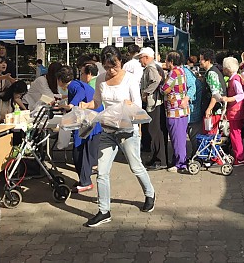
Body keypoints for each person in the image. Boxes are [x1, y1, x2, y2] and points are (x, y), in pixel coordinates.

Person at [78, 46, 155, 227]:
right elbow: (97, 102)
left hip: (126, 131)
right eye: (107, 67)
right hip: (107, 130)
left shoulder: (129, 79)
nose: (111, 70)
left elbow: (137, 104)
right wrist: (85, 105)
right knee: (102, 173)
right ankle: (104, 211)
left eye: (115, 66)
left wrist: (129, 105)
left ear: (121, 62)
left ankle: (150, 193)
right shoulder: (100, 81)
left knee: (135, 166)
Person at [56, 65, 101, 193]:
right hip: (92, 120)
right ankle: (84, 179)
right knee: (82, 152)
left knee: (79, 152)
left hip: (88, 122)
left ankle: (86, 181)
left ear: (60, 79)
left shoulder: (73, 86)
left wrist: (71, 104)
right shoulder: (76, 83)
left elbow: (80, 94)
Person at [138, 47, 168, 171]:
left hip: (154, 104)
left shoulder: (151, 68)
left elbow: (156, 80)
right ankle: (158, 158)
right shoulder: (155, 67)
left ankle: (160, 160)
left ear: (146, 57)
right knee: (157, 131)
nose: (140, 61)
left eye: (140, 58)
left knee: (155, 132)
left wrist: (146, 93)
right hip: (157, 103)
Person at [160, 51, 190, 173]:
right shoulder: (182, 70)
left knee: (177, 138)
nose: (165, 62)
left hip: (174, 110)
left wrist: (159, 86)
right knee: (180, 137)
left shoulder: (173, 73)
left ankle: (180, 164)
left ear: (171, 62)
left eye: (167, 60)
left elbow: (165, 89)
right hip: (182, 110)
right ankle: (180, 160)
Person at [221, 56, 244, 165]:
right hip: (235, 110)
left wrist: (228, 99)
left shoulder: (235, 80)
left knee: (235, 134)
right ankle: (238, 156)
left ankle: (239, 157)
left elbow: (240, 95)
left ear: (228, 69)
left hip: (235, 111)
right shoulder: (235, 78)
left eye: (225, 68)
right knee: (235, 134)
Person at [199, 48, 226, 134]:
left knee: (210, 136)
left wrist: (209, 109)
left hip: (214, 110)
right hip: (215, 109)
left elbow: (215, 94)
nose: (200, 61)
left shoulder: (211, 73)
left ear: (208, 60)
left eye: (202, 59)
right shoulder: (212, 71)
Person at [183, 62, 203, 157]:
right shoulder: (186, 71)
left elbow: (192, 87)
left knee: (194, 134)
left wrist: (186, 99)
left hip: (194, 108)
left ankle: (196, 156)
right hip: (194, 107)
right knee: (193, 134)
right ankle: (195, 155)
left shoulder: (184, 72)